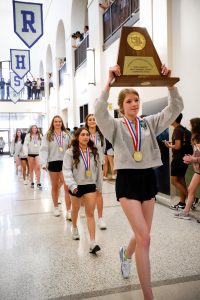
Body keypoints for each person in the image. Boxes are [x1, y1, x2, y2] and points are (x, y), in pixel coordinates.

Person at [94, 64, 183, 300]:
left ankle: (125, 253)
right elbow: (99, 111)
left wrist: (169, 83)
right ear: (122, 106)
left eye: (136, 100)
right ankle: (148, 296)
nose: (134, 104)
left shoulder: (148, 123)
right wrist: (108, 82)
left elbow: (175, 108)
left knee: (141, 233)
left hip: (147, 179)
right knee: (145, 237)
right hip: (128, 182)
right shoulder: (115, 126)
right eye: (129, 101)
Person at [63, 127, 102, 254]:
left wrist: (99, 186)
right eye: (83, 135)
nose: (85, 137)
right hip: (76, 186)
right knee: (75, 210)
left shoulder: (94, 151)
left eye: (87, 135)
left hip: (90, 184)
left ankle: (92, 242)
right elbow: (67, 170)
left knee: (90, 213)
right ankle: (74, 228)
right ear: (77, 137)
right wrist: (72, 186)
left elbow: (99, 170)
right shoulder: (70, 152)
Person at [40, 115, 72, 218]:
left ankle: (69, 211)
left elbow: (71, 147)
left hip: (65, 162)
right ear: (53, 123)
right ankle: (55, 207)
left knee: (67, 186)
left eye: (59, 121)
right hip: (53, 162)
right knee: (54, 186)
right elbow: (44, 149)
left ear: (62, 123)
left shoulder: (66, 134)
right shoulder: (48, 135)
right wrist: (44, 162)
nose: (58, 123)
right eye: (56, 121)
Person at [164, 113, 192, 209]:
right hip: (185, 158)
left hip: (178, 159)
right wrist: (173, 144)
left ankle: (191, 199)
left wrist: (169, 145)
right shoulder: (184, 130)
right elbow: (182, 144)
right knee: (181, 179)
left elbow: (178, 146)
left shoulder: (177, 130)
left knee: (174, 181)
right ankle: (182, 203)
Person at [174, 118, 200, 220]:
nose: (189, 127)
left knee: (191, 189)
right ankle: (185, 213)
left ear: (195, 126)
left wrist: (192, 158)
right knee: (190, 189)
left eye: (191, 125)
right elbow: (196, 154)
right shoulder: (195, 139)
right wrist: (190, 159)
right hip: (198, 170)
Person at [85, 114, 107, 230]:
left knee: (99, 192)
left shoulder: (101, 135)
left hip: (98, 166)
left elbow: (103, 151)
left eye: (94, 119)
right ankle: (89, 215)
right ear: (87, 122)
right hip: (86, 166)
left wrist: (103, 166)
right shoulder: (84, 134)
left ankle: (100, 218)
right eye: (90, 119)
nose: (92, 121)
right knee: (88, 193)